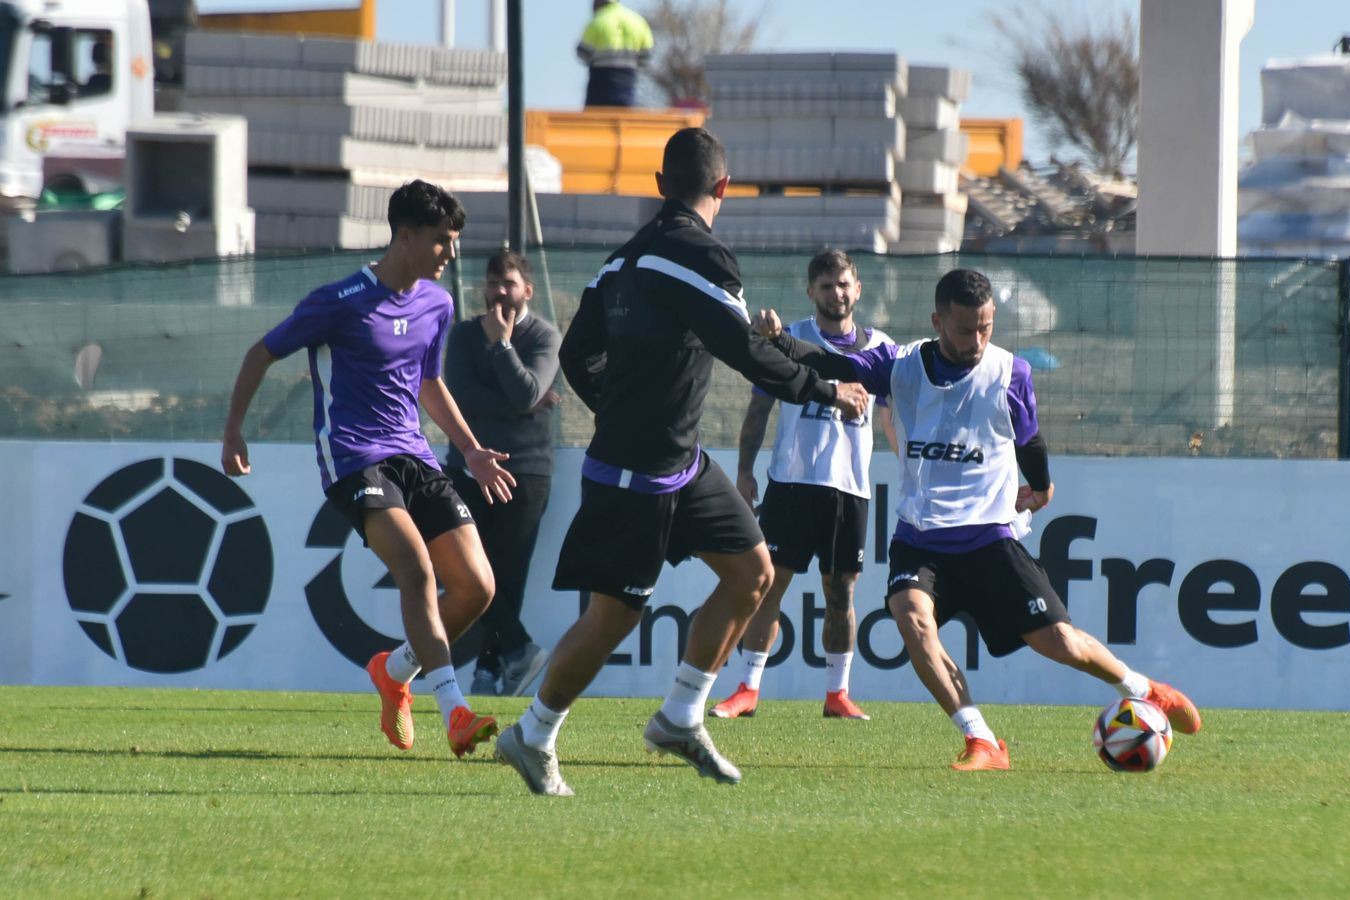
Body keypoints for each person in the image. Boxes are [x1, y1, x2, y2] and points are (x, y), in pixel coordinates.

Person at [493, 127, 871, 796]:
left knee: (753, 571)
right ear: (723, 188)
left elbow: (578, 356)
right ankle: (533, 735)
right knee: (614, 617)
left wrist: (621, 407)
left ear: (661, 186)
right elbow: (744, 351)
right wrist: (826, 391)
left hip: (678, 462)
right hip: (637, 471)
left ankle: (680, 715)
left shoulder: (619, 262)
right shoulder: (701, 257)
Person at [758, 268, 1202, 771]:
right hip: (920, 537)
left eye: (986, 327)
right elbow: (829, 360)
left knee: (1060, 643)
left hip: (989, 538)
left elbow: (1029, 438)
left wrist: (1039, 482)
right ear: (938, 321)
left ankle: (1146, 690)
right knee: (911, 618)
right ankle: (982, 741)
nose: (978, 339)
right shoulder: (898, 364)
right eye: (966, 328)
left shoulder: (1011, 372)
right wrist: (781, 342)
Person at [222, 180, 510, 760]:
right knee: (417, 570)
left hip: (415, 456)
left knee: (479, 587)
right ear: (404, 235)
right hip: (353, 457)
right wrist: (233, 430)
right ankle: (454, 711)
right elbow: (261, 353)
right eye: (440, 240)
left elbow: (430, 383)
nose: (450, 254)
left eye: (454, 241)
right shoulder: (340, 299)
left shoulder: (438, 303)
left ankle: (394, 670)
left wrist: (471, 449)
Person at [711, 249, 895, 721]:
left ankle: (837, 694)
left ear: (857, 289)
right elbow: (758, 412)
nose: (837, 293)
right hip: (791, 483)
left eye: (844, 284)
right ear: (811, 291)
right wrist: (746, 469)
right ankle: (748, 688)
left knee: (841, 594)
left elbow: (894, 420)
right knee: (769, 586)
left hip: (849, 491)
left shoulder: (880, 350)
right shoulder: (787, 338)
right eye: (827, 285)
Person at [443, 250, 561, 698]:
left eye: (508, 284)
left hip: (524, 472)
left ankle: (491, 671)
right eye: (492, 283)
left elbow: (525, 391)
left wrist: (503, 347)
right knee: (462, 571)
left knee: (506, 578)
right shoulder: (464, 335)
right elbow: (461, 397)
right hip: (466, 468)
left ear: (526, 291)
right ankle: (519, 651)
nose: (499, 293)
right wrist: (524, 400)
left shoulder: (545, 336)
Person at [577, 0, 654, 108]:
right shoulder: (638, 21)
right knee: (625, 117)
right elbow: (646, 56)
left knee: (594, 120)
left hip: (599, 84)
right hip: (627, 84)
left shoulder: (597, 20)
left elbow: (582, 53)